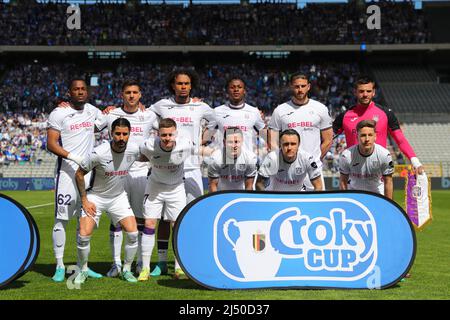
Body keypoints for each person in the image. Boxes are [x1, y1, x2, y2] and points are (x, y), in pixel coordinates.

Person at [148, 68, 214, 277]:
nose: (183, 87)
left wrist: (202, 140)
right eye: (179, 84)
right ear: (173, 86)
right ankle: (161, 262)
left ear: (191, 86)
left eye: (186, 84)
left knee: (191, 215)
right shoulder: (161, 105)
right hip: (167, 168)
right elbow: (142, 115)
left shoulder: (200, 106)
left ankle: (186, 260)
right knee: (164, 218)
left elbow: (217, 121)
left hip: (192, 166)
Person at [95, 79, 157, 278]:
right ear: (122, 94)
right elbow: (91, 128)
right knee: (116, 220)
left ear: (140, 95)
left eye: (135, 92)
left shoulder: (149, 115)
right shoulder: (111, 114)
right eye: (128, 92)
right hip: (117, 173)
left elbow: (171, 122)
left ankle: (139, 263)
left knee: (138, 220)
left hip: (140, 172)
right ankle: (115, 264)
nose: (131, 95)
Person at [46, 79, 103, 282]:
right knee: (61, 220)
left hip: (88, 175)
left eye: (83, 89)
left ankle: (83, 267)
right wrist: (74, 157)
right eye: (76, 89)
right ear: (69, 92)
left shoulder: (93, 110)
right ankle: (60, 265)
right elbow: (51, 144)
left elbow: (110, 120)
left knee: (84, 220)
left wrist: (114, 108)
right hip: (67, 174)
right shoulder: (58, 113)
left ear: (87, 92)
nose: (80, 92)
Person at [74, 118, 141, 284]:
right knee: (84, 234)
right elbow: (79, 174)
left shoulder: (133, 150)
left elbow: (150, 156)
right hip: (95, 197)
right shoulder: (99, 153)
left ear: (129, 134)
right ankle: (83, 270)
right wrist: (84, 200)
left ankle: (126, 269)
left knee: (133, 233)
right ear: (111, 134)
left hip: (118, 197)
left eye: (125, 134)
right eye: (117, 133)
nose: (121, 137)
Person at [137, 118, 202, 280]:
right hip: (155, 187)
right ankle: (145, 269)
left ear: (176, 133)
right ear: (158, 134)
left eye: (170, 135)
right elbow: (138, 155)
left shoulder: (185, 143)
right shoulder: (149, 145)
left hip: (176, 189)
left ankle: (179, 269)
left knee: (176, 226)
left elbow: (200, 150)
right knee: (149, 224)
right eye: (164, 135)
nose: (167, 138)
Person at [332, 75, 424, 175]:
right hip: (353, 175)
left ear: (374, 92)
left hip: (379, 175)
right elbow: (327, 138)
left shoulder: (386, 113)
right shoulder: (344, 116)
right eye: (361, 91)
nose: (365, 94)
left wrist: (414, 160)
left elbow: (400, 139)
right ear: (355, 92)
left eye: (368, 91)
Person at [268, 73, 333, 191]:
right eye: (297, 86)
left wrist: (314, 159)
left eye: (303, 86)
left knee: (315, 206)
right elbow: (271, 140)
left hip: (313, 170)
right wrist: (282, 160)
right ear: (291, 87)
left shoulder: (321, 109)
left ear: (308, 87)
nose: (300, 89)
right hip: (286, 169)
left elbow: (328, 139)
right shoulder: (280, 110)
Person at [207, 77, 265, 153]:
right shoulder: (217, 111)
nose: (236, 90)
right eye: (232, 87)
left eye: (239, 87)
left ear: (244, 91)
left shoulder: (254, 112)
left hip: (246, 161)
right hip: (224, 160)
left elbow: (266, 134)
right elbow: (206, 135)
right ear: (227, 91)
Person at [338, 120, 394, 199]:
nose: (367, 139)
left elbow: (388, 181)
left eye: (370, 135)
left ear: (375, 137)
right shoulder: (346, 156)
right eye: (363, 135)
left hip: (377, 196)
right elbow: (343, 181)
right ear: (357, 137)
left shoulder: (384, 155)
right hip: (354, 196)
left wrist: (388, 207)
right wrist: (345, 203)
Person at [256, 129, 323, 191]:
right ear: (280, 145)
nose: (289, 148)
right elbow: (259, 184)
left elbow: (319, 186)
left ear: (299, 145)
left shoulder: (307, 159)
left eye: (293, 144)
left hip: (297, 196)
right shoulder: (271, 158)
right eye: (286, 144)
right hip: (275, 196)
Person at [208, 127, 257, 192]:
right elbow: (213, 186)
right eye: (230, 142)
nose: (234, 146)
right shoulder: (215, 159)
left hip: (241, 194)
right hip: (221, 194)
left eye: (236, 142)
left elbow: (249, 186)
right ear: (224, 142)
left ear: (242, 142)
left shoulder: (250, 159)